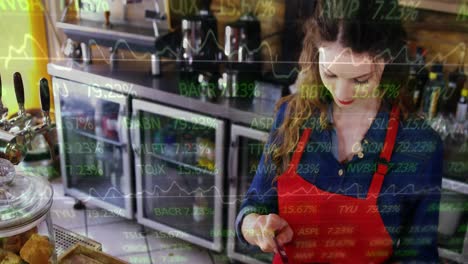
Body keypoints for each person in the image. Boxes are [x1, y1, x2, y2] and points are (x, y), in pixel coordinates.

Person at [235, 0, 443, 263]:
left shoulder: (420, 145)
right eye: (330, 73)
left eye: (360, 80)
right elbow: (253, 207)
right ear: (316, 52)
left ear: (387, 59)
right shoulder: (292, 118)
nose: (342, 94)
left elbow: (420, 256)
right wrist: (256, 226)